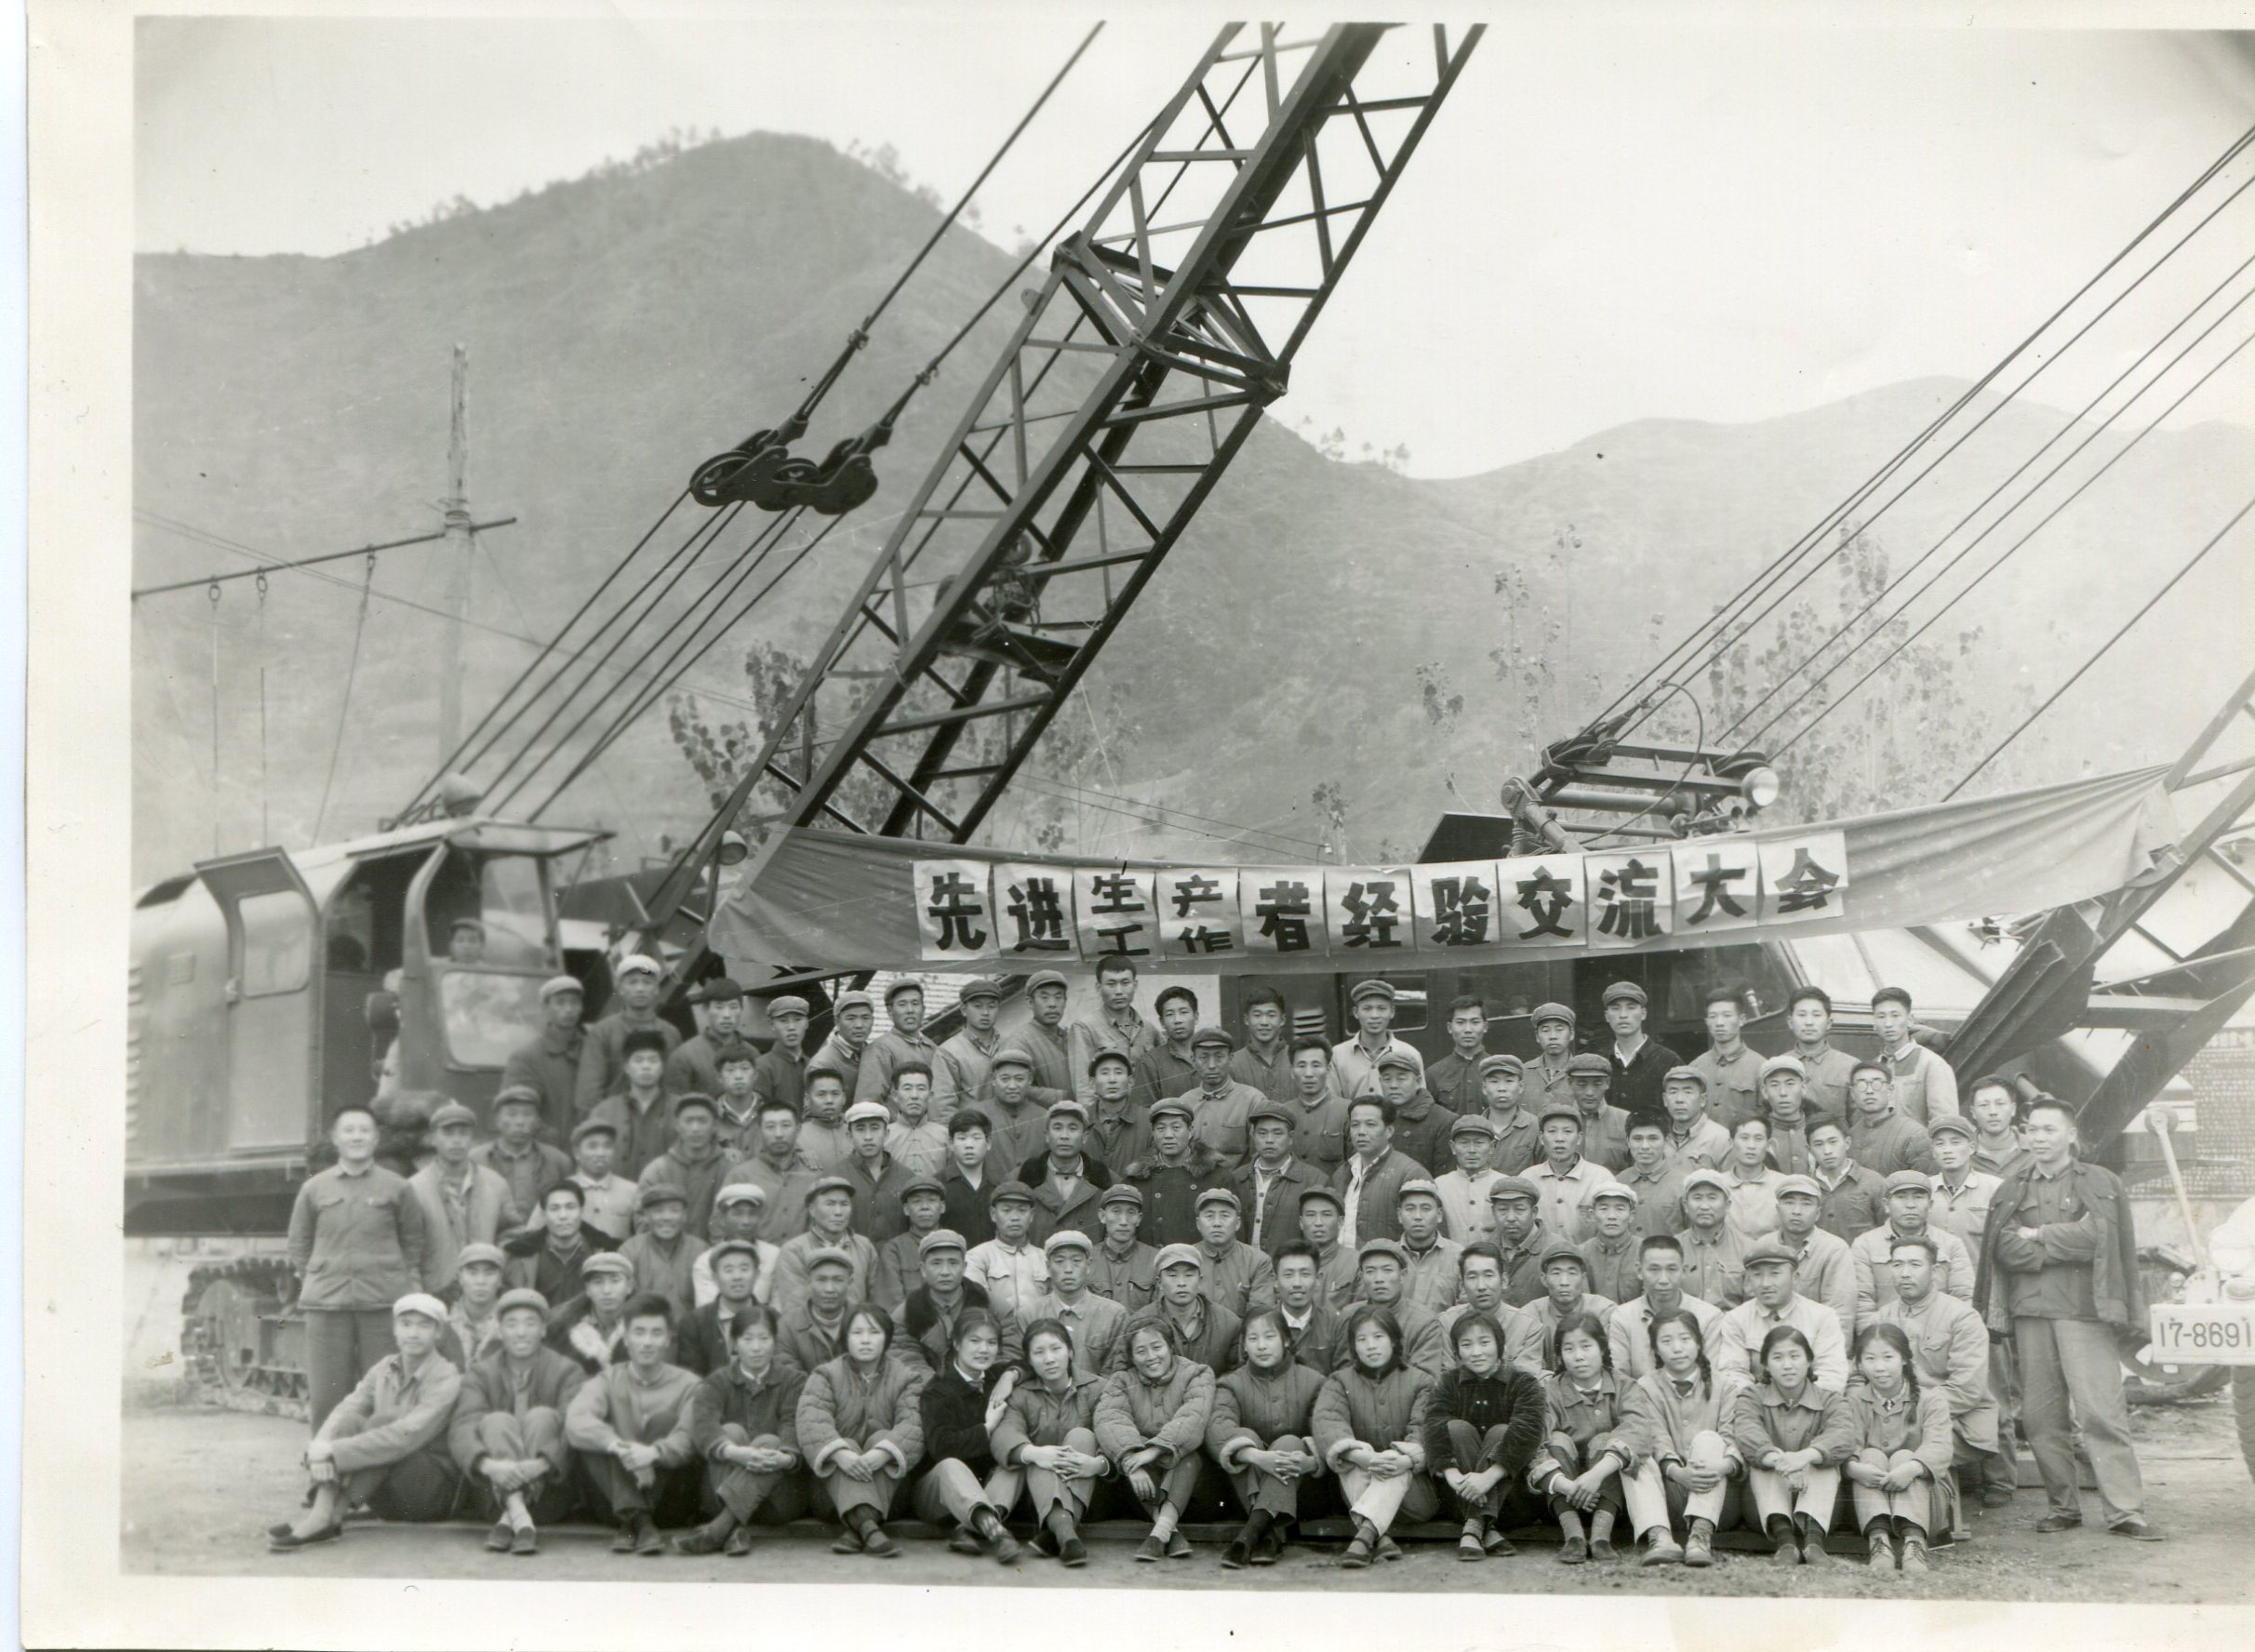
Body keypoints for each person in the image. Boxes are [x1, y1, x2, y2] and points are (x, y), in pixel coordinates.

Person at [1976, 1094, 2158, 1539]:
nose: (2038, 1138)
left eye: (2049, 1129)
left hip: (2085, 1313)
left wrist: (2038, 1235)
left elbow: (2098, 1237)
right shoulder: (2011, 1188)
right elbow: (2004, 1248)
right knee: (2041, 1419)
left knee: (2100, 1413)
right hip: (2030, 1315)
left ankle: (2125, 1512)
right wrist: (2058, 1247)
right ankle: (2063, 1507)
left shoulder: (2100, 1182)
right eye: (2031, 1130)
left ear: (2071, 1135)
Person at [266, 1293, 462, 1552]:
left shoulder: (446, 1376)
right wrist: (320, 1447)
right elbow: (347, 1407)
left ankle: (327, 1517)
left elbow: (406, 1436)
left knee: (384, 1423)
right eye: (406, 1324)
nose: (413, 1334)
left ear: (438, 1332)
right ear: (395, 1329)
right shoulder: (384, 1368)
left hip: (427, 1495)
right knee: (349, 1421)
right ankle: (325, 1514)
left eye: (424, 1326)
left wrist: (333, 1452)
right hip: (379, 1491)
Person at [287, 1104, 426, 1430]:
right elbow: (299, 1243)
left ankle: (378, 1461)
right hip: (326, 1306)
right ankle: (326, 1458)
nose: (357, 1137)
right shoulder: (314, 1189)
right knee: (327, 1396)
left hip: (381, 1304)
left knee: (384, 1393)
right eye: (348, 1130)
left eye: (364, 1130)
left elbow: (413, 1241)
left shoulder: (398, 1187)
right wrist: (320, 1277)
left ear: (376, 1139)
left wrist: (393, 1278)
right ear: (335, 1138)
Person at [1874, 1232, 2005, 1522]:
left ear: (1934, 1271)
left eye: (1915, 1265)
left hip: (1959, 1424)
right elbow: (1864, 1377)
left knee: (1896, 1447)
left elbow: (1966, 1390)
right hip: (1897, 1420)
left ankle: (1925, 1522)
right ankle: (1877, 1521)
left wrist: (1906, 1415)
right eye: (1897, 1265)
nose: (1905, 1273)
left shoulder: (1962, 1317)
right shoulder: (1881, 1318)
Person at [448, 1287, 586, 1555]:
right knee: (497, 1421)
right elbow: (463, 1426)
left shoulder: (568, 1371)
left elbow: (576, 1426)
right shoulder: (481, 1373)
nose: (521, 1332)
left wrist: (542, 1464)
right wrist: (489, 1466)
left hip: (549, 1496)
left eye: (530, 1323)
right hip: (493, 1494)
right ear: (500, 1330)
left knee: (542, 1416)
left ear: (543, 1330)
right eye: (512, 1324)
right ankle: (520, 1517)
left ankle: (511, 1515)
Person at [566, 1291, 705, 1553]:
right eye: (639, 1332)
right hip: (611, 1502)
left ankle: (635, 1521)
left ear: (668, 1339)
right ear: (626, 1338)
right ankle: (641, 1521)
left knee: (663, 1422)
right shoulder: (608, 1379)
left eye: (656, 1333)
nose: (647, 1342)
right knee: (596, 1439)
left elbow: (689, 1438)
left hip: (669, 1504)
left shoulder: (690, 1385)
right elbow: (576, 1421)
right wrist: (619, 1447)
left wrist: (653, 1454)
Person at [673, 1304, 807, 1556]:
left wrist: (787, 1458)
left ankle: (719, 1530)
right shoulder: (717, 1381)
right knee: (731, 1432)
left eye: (764, 1338)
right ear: (734, 1342)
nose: (756, 1347)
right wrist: (735, 1453)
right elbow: (704, 1426)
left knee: (770, 1441)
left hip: (775, 1501)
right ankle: (733, 1529)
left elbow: (793, 1423)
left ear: (775, 1341)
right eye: (747, 1339)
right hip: (719, 1495)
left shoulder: (794, 1381)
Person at [797, 1302, 930, 1557]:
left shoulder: (908, 1378)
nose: (865, 1340)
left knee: (882, 1438)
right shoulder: (825, 1375)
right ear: (846, 1337)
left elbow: (913, 1424)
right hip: (832, 1494)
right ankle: (869, 1526)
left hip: (890, 1495)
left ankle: (860, 1527)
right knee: (845, 1444)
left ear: (887, 1338)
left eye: (874, 1332)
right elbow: (811, 1421)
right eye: (857, 1332)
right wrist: (840, 1455)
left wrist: (883, 1453)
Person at [1618, 1308, 1749, 1567]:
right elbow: (1654, 1437)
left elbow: (1734, 1437)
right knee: (1634, 1456)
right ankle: (1660, 1538)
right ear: (1655, 1350)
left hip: (1718, 1499)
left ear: (1699, 1343)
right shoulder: (1645, 1387)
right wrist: (1678, 1473)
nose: (1677, 1348)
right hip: (1669, 1498)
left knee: (1709, 1439)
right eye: (1667, 1341)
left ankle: (1700, 1537)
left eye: (1685, 1339)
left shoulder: (1725, 1386)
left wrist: (1720, 1467)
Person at [1313, 1304, 1436, 1568]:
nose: (1371, 1346)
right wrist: (1365, 1459)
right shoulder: (1339, 1382)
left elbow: (1424, 1429)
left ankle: (1365, 1534)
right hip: (1357, 1488)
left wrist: (1404, 1461)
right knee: (1351, 1452)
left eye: (1378, 1336)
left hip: (1412, 1496)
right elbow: (1329, 1423)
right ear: (1353, 1346)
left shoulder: (1421, 1381)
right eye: (1362, 1339)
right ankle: (1380, 1538)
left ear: (1394, 1340)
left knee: (1395, 1455)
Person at [1207, 1308, 1327, 1567]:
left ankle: (1248, 1536)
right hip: (1247, 1489)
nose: (1261, 1346)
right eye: (1253, 1338)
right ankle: (1267, 1535)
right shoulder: (1230, 1384)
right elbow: (1218, 1426)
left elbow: (1327, 1429)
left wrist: (1311, 1462)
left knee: (1290, 1442)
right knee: (1243, 1437)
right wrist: (1256, 1457)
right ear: (1244, 1345)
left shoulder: (1314, 1381)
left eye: (1269, 1337)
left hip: (1302, 1489)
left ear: (1286, 1340)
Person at [1423, 1309, 1547, 1561]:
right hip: (1461, 1492)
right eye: (1466, 1345)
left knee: (1501, 1431)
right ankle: (1484, 1528)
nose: (1476, 1352)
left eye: (1484, 1342)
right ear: (1457, 1351)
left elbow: (1527, 1430)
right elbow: (1433, 1425)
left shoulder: (1524, 1382)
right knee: (1455, 1427)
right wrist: (1452, 1474)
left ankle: (1473, 1527)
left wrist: (1488, 1478)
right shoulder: (1449, 1382)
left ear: (1499, 1344)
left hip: (1511, 1499)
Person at [1096, 1311, 1218, 1561]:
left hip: (1194, 1491)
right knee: (1132, 1451)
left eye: (1157, 1347)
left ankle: (1160, 1531)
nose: (1151, 1357)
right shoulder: (1121, 1381)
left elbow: (1192, 1417)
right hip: (1143, 1491)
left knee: (1185, 1454)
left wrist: (1153, 1451)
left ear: (1170, 1347)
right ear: (1131, 1357)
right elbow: (1110, 1419)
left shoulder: (1197, 1374)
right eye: (1141, 1351)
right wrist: (1131, 1461)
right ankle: (1165, 1531)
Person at [1732, 1324, 1855, 1568]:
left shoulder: (1830, 1399)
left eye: (1795, 1356)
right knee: (1763, 1459)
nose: (1787, 1365)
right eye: (1777, 1358)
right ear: (1766, 1365)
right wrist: (1782, 1461)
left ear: (1809, 1361)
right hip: (1764, 1506)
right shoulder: (1751, 1396)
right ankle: (1785, 1543)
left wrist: (1806, 1456)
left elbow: (1844, 1435)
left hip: (1821, 1506)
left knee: (1823, 1459)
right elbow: (1747, 1433)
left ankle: (1814, 1544)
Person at [910, 1309, 1026, 1565]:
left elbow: (1029, 1363)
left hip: (986, 1487)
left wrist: (1011, 1375)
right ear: (956, 1343)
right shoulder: (937, 1390)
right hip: (940, 1492)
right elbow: (941, 1448)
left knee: (1013, 1462)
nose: (984, 1349)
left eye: (991, 1342)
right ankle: (995, 1531)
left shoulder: (995, 1376)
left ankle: (970, 1527)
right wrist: (987, 1428)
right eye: (975, 1341)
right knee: (951, 1464)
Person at [990, 1317, 1109, 1565]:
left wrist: (1098, 1464)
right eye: (1039, 1352)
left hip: (1090, 1491)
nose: (1049, 1359)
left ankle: (1061, 1529)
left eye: (1056, 1348)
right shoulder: (1021, 1394)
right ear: (1029, 1360)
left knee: (1082, 1436)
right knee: (1038, 1457)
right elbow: (1005, 1433)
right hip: (1037, 1495)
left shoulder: (1097, 1388)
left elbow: (1115, 1434)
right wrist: (1035, 1453)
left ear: (1070, 1351)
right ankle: (1068, 1538)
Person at [1841, 1322, 1955, 1576]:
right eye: (1870, 1359)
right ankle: (1879, 1541)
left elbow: (1940, 1446)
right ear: (1860, 1364)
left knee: (1905, 1456)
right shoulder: (1854, 1402)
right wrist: (1853, 1469)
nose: (1879, 1367)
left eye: (1888, 1357)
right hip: (1867, 1505)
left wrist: (1912, 1469)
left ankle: (1915, 1542)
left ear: (1904, 1358)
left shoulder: (1931, 1400)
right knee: (1869, 1455)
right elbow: (1845, 1444)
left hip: (1926, 1504)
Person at [1529, 1311, 1632, 1564]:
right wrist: (1568, 1486)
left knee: (1605, 1440)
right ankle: (1573, 1537)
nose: (1578, 1356)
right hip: (1562, 1497)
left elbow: (1638, 1430)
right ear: (1560, 1355)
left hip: (1612, 1502)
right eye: (1569, 1349)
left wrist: (1596, 1475)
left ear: (1602, 1348)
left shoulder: (1625, 1386)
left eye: (1586, 1346)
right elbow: (1534, 1442)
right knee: (1555, 1439)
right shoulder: (1549, 1391)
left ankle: (1601, 1538)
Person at [408, 1099, 519, 1296]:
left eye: (463, 1133)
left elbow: (512, 1231)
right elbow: (409, 1252)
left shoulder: (495, 1184)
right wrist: (419, 1297)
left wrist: (493, 1260)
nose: (456, 1140)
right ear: (433, 1138)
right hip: (436, 1292)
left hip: (484, 1292)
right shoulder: (415, 1188)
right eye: (448, 1133)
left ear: (473, 1139)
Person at [1713, 1239, 1849, 1391]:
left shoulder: (1822, 1317)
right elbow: (1733, 1373)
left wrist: (1803, 1402)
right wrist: (1757, 1401)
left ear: (1794, 1278)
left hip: (1813, 1401)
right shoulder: (1736, 1319)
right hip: (1756, 1402)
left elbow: (1832, 1374)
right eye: (1757, 1275)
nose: (1765, 1283)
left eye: (1775, 1273)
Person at [1854, 1169, 1976, 1326]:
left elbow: (1964, 1298)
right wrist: (1876, 1338)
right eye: (1901, 1197)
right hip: (1886, 1334)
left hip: (1939, 1333)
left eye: (1918, 1197)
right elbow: (1862, 1304)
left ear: (1930, 1205)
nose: (1910, 1205)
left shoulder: (1951, 1244)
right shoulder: (1865, 1244)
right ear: (1886, 1205)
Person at [573, 954, 680, 1119]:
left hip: (659, 1121)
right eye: (632, 982)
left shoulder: (670, 1033)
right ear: (621, 988)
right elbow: (589, 1092)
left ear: (657, 989)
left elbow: (675, 1085)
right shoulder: (603, 1032)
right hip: (615, 1121)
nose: (640, 989)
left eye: (647, 982)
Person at [1608, 1235, 1724, 1380]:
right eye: (1654, 1269)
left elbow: (1712, 1376)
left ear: (1684, 1271)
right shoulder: (1623, 1317)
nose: (1663, 1280)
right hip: (1639, 1393)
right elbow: (1620, 1378)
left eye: (1672, 1269)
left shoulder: (1709, 1317)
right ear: (1639, 1271)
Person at [1024, 1230, 1128, 1377]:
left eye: (1076, 1261)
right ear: (1048, 1267)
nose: (1068, 1269)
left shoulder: (1114, 1315)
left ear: (1089, 1265)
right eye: (1059, 1261)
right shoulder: (1029, 1314)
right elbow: (1023, 1367)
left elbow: (1117, 1374)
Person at [638, 1092, 741, 1241]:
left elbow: (738, 1220)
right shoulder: (658, 1170)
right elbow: (643, 1220)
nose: (695, 1128)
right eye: (689, 1121)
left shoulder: (729, 1169)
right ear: (677, 1126)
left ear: (714, 1126)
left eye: (702, 1121)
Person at [770, 1177, 878, 1315]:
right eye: (830, 1204)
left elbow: (876, 1300)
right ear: (812, 1210)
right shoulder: (794, 1250)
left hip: (858, 1326)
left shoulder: (864, 1246)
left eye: (844, 1204)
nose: (838, 1212)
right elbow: (794, 1307)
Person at [1129, 1097, 1230, 1246]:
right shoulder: (1137, 1179)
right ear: (1153, 1133)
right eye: (1161, 1128)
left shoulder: (1217, 1178)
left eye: (1176, 1127)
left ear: (1190, 1131)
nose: (1168, 1135)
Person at [1230, 1099, 1327, 1254]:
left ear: (1291, 1137)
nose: (1269, 1140)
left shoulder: (1314, 1180)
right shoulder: (1236, 1178)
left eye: (1277, 1133)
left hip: (1290, 1266)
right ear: (1253, 1136)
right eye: (1262, 1133)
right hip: (1244, 1266)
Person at [1769, 1174, 1857, 1342]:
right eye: (1789, 1202)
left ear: (1817, 1213)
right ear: (1778, 1209)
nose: (1796, 1211)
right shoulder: (1764, 1246)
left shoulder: (1834, 1249)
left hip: (1817, 1343)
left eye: (1806, 1203)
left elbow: (1841, 1314)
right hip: (1770, 1345)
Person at [1436, 1244, 1546, 1377]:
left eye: (1488, 1275)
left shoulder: (1528, 1327)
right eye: (1472, 1277)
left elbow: (1526, 1380)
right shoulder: (1447, 1323)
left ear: (1504, 1280)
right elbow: (1446, 1377)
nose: (1481, 1286)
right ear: (1462, 1285)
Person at [1343, 1238, 1447, 1378]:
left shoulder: (1423, 1322)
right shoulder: (1348, 1316)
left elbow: (1426, 1380)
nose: (1379, 1279)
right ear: (1362, 1277)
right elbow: (1342, 1371)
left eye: (1387, 1270)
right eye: (1370, 1271)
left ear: (1402, 1275)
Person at [504, 1182, 607, 1324]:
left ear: (582, 1211)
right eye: (554, 1209)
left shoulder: (603, 1251)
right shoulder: (521, 1255)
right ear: (544, 1214)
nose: (563, 1216)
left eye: (570, 1207)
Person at [585, 1028, 678, 1180]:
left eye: (653, 1060)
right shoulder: (603, 1112)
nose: (646, 1066)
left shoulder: (680, 1109)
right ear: (626, 1067)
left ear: (663, 1066)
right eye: (638, 1060)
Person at [1332, 1096, 1425, 1249]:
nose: (1361, 1132)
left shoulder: (1410, 1174)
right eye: (1355, 1125)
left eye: (1371, 1124)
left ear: (1389, 1131)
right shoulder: (1341, 1174)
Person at [501, 976, 586, 1139]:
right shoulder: (526, 1057)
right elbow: (515, 1112)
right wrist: (551, 1141)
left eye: (574, 1002)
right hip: (550, 1149)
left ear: (581, 1007)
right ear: (545, 1007)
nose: (568, 1009)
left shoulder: (593, 1050)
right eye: (560, 1002)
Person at [1017, 1098, 1112, 1245]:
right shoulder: (1020, 1180)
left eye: (1073, 1128)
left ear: (1085, 1136)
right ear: (1047, 1135)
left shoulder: (1107, 1182)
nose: (1064, 1136)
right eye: (1057, 1128)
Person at [1068, 956, 1157, 1109]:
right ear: (1098, 988)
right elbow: (1084, 1089)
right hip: (1106, 1116)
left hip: (1143, 1116)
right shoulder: (1085, 1028)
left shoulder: (1148, 1028)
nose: (1119, 991)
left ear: (1135, 985)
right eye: (1111, 984)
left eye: (1125, 983)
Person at [474, 1086, 574, 1221]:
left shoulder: (558, 1161)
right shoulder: (477, 1159)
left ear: (537, 1121)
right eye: (511, 1114)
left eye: (527, 1114)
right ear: (498, 1120)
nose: (520, 1122)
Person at [734, 1095, 819, 1246]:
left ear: (798, 1130)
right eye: (770, 1126)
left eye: (786, 1125)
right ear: (759, 1131)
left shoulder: (813, 1175)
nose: (778, 1134)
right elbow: (722, 1228)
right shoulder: (742, 1176)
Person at [679, 1238, 767, 1376]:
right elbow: (692, 1377)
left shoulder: (774, 1319)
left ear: (757, 1275)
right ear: (715, 1278)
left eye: (744, 1269)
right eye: (728, 1270)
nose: (737, 1277)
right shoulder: (694, 1323)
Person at [1872, 986, 1960, 1124]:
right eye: (1881, 1017)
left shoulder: (1932, 1065)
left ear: (1910, 1020)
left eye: (1895, 1015)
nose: (1888, 1023)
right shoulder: (1874, 1067)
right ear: (1874, 1024)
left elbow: (1946, 1123)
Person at [1150, 1242, 1244, 1372]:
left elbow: (1237, 1374)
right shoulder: (1142, 1322)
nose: (1181, 1283)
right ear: (1159, 1282)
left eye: (1189, 1275)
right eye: (1172, 1275)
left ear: (1200, 1280)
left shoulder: (1229, 1322)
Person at [1178, 1023, 1263, 1166]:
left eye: (1219, 1057)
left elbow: (1259, 1156)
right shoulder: (1184, 1103)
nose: (1212, 1065)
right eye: (1204, 1057)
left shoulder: (1252, 1100)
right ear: (1193, 1060)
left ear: (1231, 1059)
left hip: (1235, 1180)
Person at [1601, 980, 1682, 1130]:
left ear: (1643, 1014)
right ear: (1607, 1016)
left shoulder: (1669, 1061)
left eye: (1631, 1008)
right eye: (1615, 1008)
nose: (1623, 1015)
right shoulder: (1600, 1061)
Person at [836, 1099, 918, 1244]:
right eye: (860, 1129)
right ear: (849, 1136)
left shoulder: (907, 1178)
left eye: (875, 1128)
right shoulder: (835, 1177)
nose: (868, 1137)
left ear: (886, 1134)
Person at [1332, 979, 1426, 1102]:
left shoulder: (1410, 1054)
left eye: (1382, 1008)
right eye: (1367, 1009)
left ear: (1392, 1012)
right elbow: (1334, 1103)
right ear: (1356, 1012)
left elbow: (1421, 1101)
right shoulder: (1337, 1055)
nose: (1374, 1015)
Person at [690, 1183, 781, 1309]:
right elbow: (708, 1311)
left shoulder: (774, 1256)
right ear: (722, 1219)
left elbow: (779, 1307)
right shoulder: (705, 1261)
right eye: (737, 1214)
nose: (746, 1221)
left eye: (752, 1214)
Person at [1524, 1239, 1618, 1362]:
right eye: (1556, 1273)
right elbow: (1526, 1366)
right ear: (1544, 1279)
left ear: (1583, 1278)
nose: (1564, 1282)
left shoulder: (1604, 1311)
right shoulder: (1530, 1315)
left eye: (1572, 1273)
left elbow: (1614, 1361)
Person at [967, 1182, 1049, 1321]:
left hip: (1039, 1330)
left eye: (1022, 1210)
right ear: (993, 1214)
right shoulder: (977, 1256)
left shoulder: (1045, 1258)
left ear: (1031, 1215)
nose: (1015, 1217)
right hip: (996, 1329)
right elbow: (977, 1301)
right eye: (1006, 1210)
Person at [1190, 1188, 1277, 1318]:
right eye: (1209, 1216)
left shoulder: (1257, 1261)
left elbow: (1261, 1315)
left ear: (1237, 1223)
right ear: (1198, 1224)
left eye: (1225, 1215)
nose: (1217, 1223)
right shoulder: (1186, 1258)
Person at [854, 977, 940, 1109]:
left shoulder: (933, 1048)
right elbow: (867, 1105)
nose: (910, 1010)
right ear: (890, 1011)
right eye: (902, 1004)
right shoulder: (879, 1050)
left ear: (923, 1009)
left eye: (915, 1003)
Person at [667, 978, 759, 1099]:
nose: (727, 1015)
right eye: (719, 1007)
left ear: (741, 1009)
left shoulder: (753, 1053)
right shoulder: (684, 1056)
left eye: (733, 1007)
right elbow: (674, 1105)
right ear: (705, 1009)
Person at [617, 1184, 701, 1317]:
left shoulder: (700, 1250)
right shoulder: (630, 1250)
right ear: (646, 1216)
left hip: (689, 1328)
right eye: (658, 1211)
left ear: (685, 1215)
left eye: (674, 1210)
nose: (666, 1218)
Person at [1674, 1167, 1753, 1309]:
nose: (1704, 1206)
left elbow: (1753, 1304)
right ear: (1685, 1205)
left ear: (1727, 1205)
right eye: (1697, 1198)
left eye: (1712, 1198)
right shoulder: (1673, 1248)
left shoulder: (1748, 1248)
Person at [1783, 986, 1858, 1135]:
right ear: (1790, 1022)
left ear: (1829, 1022)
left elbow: (1859, 1123)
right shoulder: (1778, 1066)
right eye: (1802, 1015)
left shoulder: (1850, 1067)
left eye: (1816, 1015)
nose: (1809, 1022)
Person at [1689, 987, 1767, 1130]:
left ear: (1742, 1020)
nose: (1719, 1023)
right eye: (1713, 1016)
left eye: (1727, 1015)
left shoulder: (1761, 1067)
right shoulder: (1695, 1067)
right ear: (1707, 1022)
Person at [1530, 1099, 1609, 1240]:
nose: (1559, 1139)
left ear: (1579, 1138)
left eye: (1567, 1131)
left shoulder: (1601, 1178)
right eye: (1552, 1131)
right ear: (1542, 1138)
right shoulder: (1527, 1178)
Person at [548, 1249, 636, 1375]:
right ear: (587, 1289)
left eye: (615, 1280)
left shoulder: (646, 1325)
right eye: (598, 1282)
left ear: (629, 1286)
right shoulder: (561, 1330)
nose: (606, 1290)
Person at [929, 975, 1004, 1122]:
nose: (985, 1012)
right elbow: (942, 1108)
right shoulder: (948, 1052)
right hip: (970, 1130)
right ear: (964, 1010)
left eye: (991, 1006)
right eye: (978, 1006)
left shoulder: (1011, 1045)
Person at [1848, 1061, 1941, 1177]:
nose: (1869, 1091)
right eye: (1861, 1084)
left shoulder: (1914, 1134)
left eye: (1877, 1083)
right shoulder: (1850, 1136)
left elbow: (1928, 1182)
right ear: (1852, 1093)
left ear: (1890, 1090)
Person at [1928, 1114, 2003, 1256]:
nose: (1947, 1150)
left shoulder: (1995, 1188)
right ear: (1933, 1152)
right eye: (1940, 1144)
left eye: (1955, 1143)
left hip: (1978, 1269)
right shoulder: (1925, 1189)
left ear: (1971, 1148)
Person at [872, 1177, 950, 1312]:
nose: (924, 1207)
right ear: (906, 1209)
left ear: (942, 1207)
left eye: (931, 1200)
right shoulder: (893, 1250)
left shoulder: (955, 1245)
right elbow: (892, 1304)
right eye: (917, 1201)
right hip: (910, 1322)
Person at [1375, 1048, 1455, 1178]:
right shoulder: (1373, 1117)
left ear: (1418, 1082)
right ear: (1380, 1082)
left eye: (1401, 1078)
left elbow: (1444, 1177)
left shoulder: (1443, 1120)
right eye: (1387, 1079)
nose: (1393, 1085)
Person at [1274, 1241, 1351, 1374]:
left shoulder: (1337, 1324)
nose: (1297, 1283)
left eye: (1305, 1274)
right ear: (1275, 1281)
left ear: (1318, 1279)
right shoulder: (1261, 1324)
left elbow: (1345, 1376)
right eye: (1288, 1275)